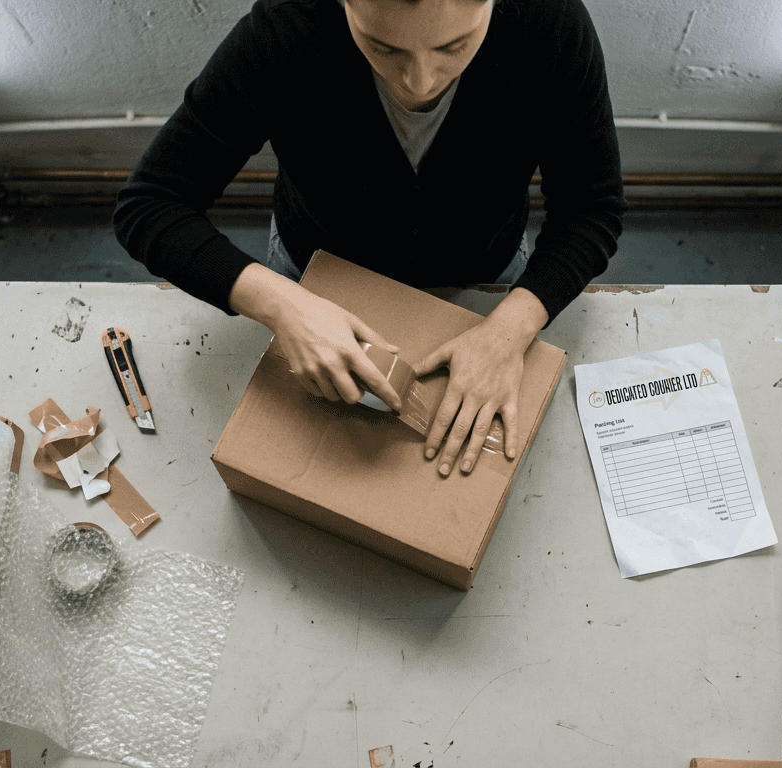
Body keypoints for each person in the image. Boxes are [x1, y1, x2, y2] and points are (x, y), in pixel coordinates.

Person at [114, 0, 625, 476]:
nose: (420, 81)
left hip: (486, 281)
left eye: (454, 46)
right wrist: (283, 306)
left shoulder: (552, 25)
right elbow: (150, 204)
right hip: (310, 278)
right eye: (383, 47)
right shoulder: (285, 30)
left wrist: (509, 330)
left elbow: (591, 207)